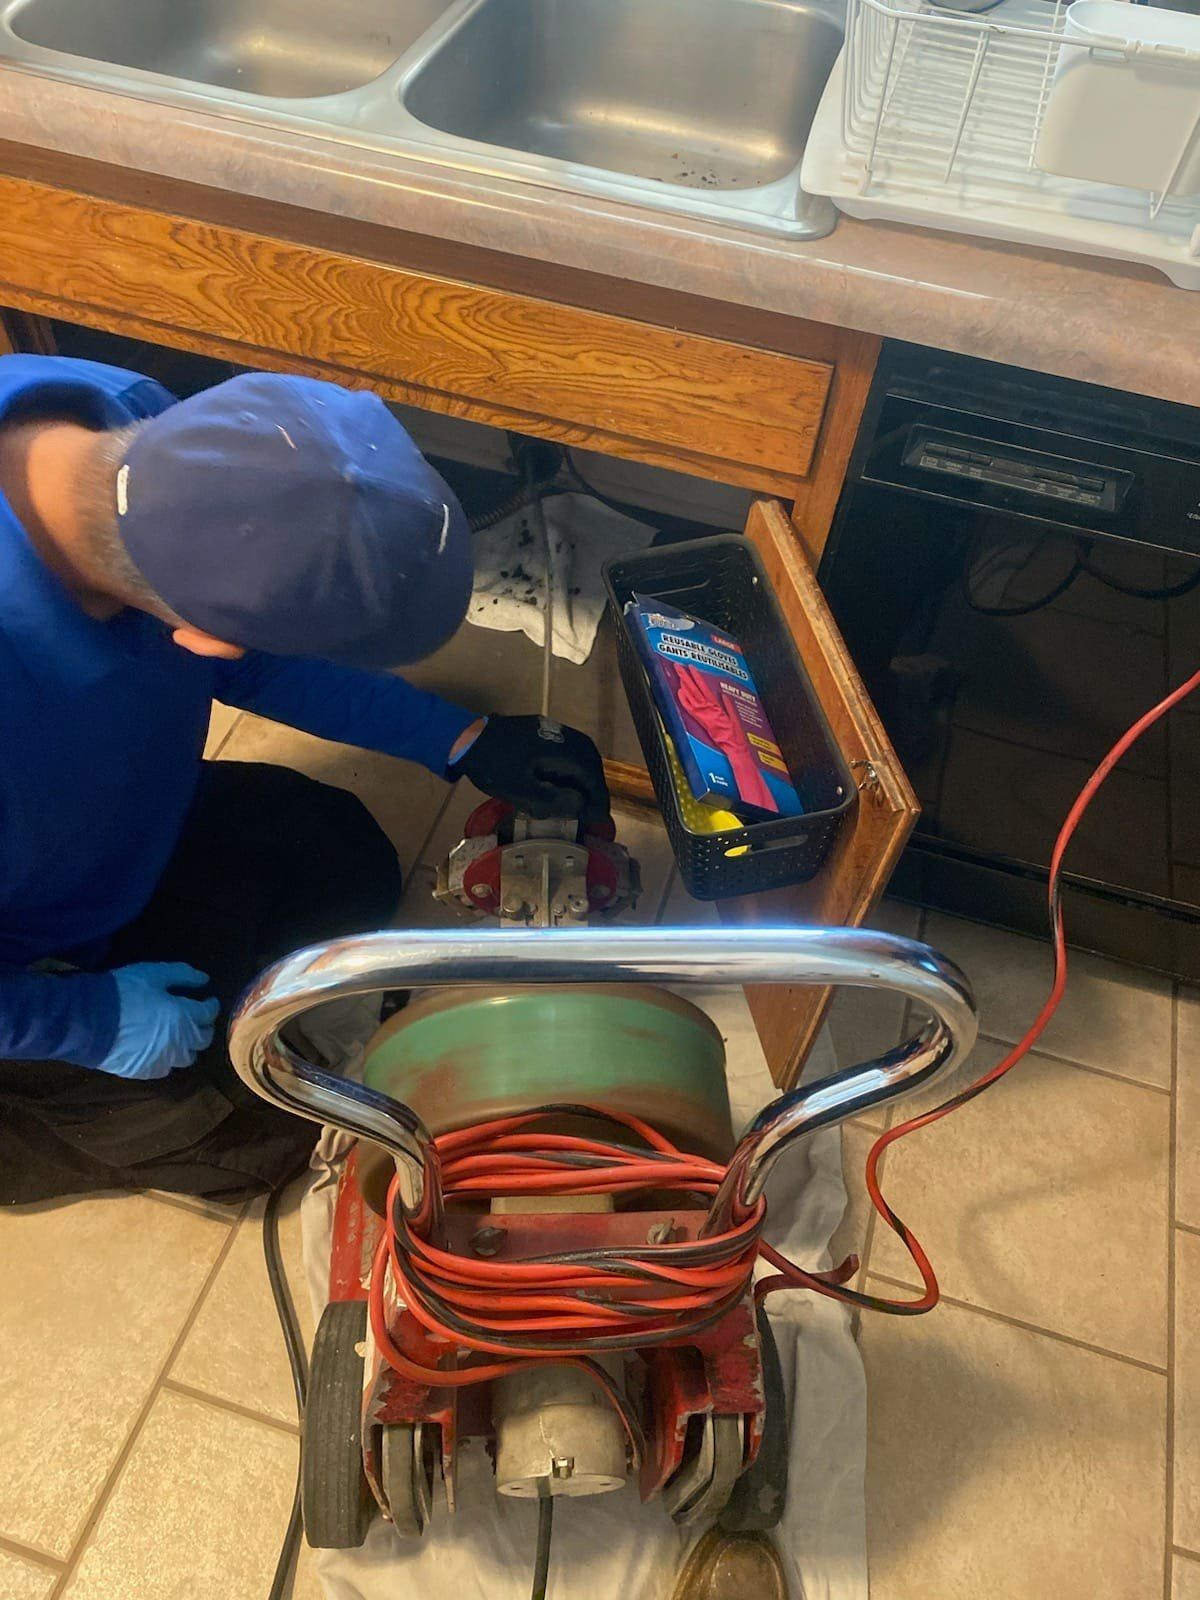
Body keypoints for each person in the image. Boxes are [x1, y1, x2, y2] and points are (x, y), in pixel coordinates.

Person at [0, 354, 609, 1206]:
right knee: (259, 1145)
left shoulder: (135, 424)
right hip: (30, 960)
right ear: (210, 637)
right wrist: (89, 1021)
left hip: (82, 831)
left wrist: (462, 738)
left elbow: (252, 646)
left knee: (343, 855)